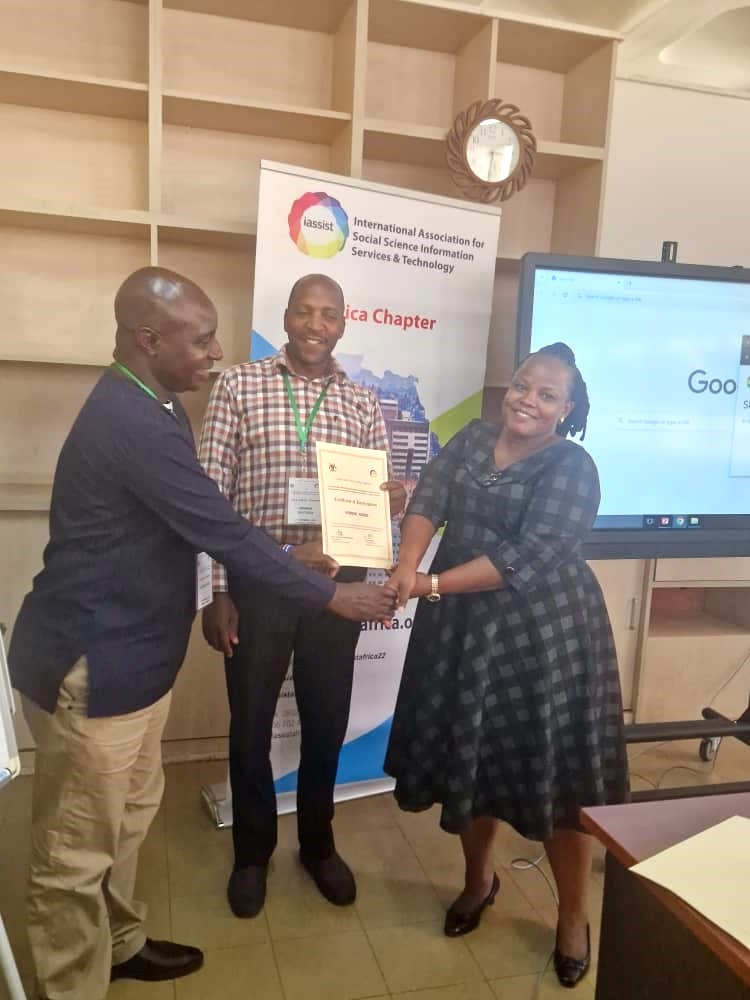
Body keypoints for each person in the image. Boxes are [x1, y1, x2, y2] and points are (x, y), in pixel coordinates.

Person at [8, 267, 396, 1000]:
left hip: (135, 666)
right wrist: (328, 594)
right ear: (148, 340)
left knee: (123, 824)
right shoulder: (131, 422)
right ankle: (71, 984)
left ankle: (119, 943)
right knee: (72, 855)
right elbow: (218, 524)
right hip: (97, 666)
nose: (216, 350)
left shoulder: (155, 402)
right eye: (201, 338)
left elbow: (202, 525)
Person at [385, 342, 629, 989]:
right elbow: (428, 501)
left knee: (557, 782)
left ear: (568, 408)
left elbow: (527, 557)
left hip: (545, 642)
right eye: (523, 386)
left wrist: (429, 585)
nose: (529, 400)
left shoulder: (574, 467)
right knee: (475, 763)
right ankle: (478, 882)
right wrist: (408, 565)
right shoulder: (472, 438)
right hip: (464, 634)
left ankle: (573, 916)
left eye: (547, 395)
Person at [199, 273, 406, 919]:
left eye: (329, 315)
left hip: (334, 586)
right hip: (257, 581)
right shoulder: (239, 384)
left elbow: (371, 512)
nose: (316, 325)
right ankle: (252, 855)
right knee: (251, 722)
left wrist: (386, 505)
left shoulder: (362, 403)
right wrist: (217, 590)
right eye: (304, 312)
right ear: (286, 317)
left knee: (326, 718)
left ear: (344, 323)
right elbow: (209, 496)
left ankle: (318, 846)